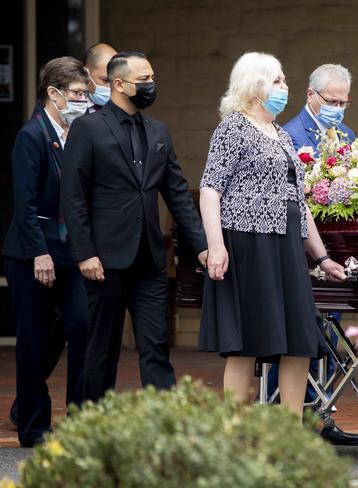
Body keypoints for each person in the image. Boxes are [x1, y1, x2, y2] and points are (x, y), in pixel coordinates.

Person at [198, 51, 347, 422]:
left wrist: (322, 256)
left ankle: (290, 432)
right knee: (245, 344)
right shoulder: (233, 127)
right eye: (278, 81)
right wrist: (215, 245)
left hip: (285, 246)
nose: (285, 87)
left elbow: (298, 200)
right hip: (247, 243)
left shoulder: (280, 134)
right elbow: (210, 189)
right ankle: (234, 432)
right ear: (255, 86)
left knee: (299, 341)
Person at [61, 51, 208, 402]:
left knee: (156, 347)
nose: (150, 85)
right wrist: (85, 254)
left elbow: (176, 194)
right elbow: (73, 196)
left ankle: (166, 428)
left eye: (151, 78)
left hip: (149, 261)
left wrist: (203, 245)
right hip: (104, 261)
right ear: (118, 84)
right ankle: (90, 427)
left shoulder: (157, 131)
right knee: (102, 350)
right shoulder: (88, 128)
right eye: (143, 80)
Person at [2, 57, 91, 447]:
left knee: (82, 327)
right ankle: (34, 424)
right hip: (33, 254)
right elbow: (24, 203)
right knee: (35, 338)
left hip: (72, 252)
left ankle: (81, 419)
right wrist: (40, 253)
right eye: (77, 93)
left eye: (86, 93)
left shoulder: (77, 132)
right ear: (53, 94)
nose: (83, 100)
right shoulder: (32, 135)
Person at [278, 63, 358, 445]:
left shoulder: (346, 135)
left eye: (344, 101)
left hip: (336, 252)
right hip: (301, 250)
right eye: (333, 100)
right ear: (311, 95)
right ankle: (300, 416)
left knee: (331, 337)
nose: (339, 108)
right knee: (305, 338)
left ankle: (323, 416)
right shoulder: (290, 135)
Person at [283, 63, 354, 148]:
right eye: (331, 101)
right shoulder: (290, 136)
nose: (337, 108)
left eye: (342, 103)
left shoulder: (348, 134)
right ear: (310, 95)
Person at [83, 42, 118, 112]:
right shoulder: (71, 108)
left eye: (117, 81)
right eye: (106, 80)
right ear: (85, 74)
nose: (113, 87)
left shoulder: (125, 110)